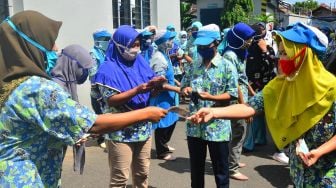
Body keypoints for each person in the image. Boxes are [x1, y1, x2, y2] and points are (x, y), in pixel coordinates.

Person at [0, 10, 167, 187]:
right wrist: (146, 114)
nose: (56, 48)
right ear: (30, 46)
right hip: (25, 180)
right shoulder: (36, 88)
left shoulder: (11, 83)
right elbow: (92, 124)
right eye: (49, 43)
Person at [189, 22, 336, 188]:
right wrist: (214, 113)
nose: (280, 59)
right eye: (279, 53)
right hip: (299, 175)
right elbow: (250, 107)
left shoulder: (332, 90)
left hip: (327, 177)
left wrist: (320, 151)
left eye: (285, 53)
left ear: (304, 54)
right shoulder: (281, 85)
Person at [91, 25, 166, 188]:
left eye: (138, 44)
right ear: (119, 45)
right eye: (132, 44)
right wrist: (137, 90)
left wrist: (156, 88)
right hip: (120, 132)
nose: (136, 49)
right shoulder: (107, 69)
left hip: (143, 130)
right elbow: (111, 100)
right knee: (120, 178)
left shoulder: (140, 63)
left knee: (142, 174)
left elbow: (147, 95)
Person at [181, 24, 239, 188]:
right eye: (199, 46)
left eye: (205, 46)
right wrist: (185, 90)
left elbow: (232, 94)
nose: (201, 49)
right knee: (196, 171)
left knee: (221, 172)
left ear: (217, 43)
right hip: (195, 125)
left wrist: (212, 97)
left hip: (217, 128)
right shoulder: (193, 66)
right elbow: (183, 86)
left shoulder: (226, 66)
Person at [51, 44, 94, 174]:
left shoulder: (65, 83)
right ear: (72, 64)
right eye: (83, 68)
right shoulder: (56, 87)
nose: (85, 73)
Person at [222, 22, 255, 181]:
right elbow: (234, 82)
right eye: (247, 38)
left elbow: (243, 78)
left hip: (243, 96)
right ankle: (232, 168)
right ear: (237, 38)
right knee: (238, 132)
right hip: (236, 99)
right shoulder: (230, 55)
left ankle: (233, 159)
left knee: (238, 131)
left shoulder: (241, 51)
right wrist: (244, 106)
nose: (250, 41)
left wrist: (253, 93)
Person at [150, 30, 181, 161]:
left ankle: (165, 144)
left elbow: (169, 75)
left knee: (172, 120)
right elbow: (159, 83)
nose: (171, 42)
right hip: (162, 97)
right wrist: (177, 89)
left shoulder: (165, 54)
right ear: (162, 42)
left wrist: (177, 82)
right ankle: (161, 151)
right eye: (169, 40)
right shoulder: (158, 58)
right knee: (163, 124)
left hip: (170, 95)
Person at [89, 28, 112, 149]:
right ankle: (100, 138)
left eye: (109, 39)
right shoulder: (93, 53)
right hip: (98, 91)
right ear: (98, 40)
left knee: (107, 113)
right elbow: (93, 73)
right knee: (100, 114)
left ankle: (106, 136)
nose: (108, 41)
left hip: (107, 88)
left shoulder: (105, 52)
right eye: (105, 39)